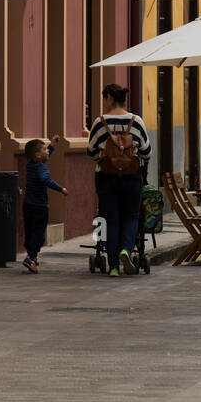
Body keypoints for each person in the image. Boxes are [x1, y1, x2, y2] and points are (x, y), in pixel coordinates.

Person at [86, 83, 151, 276]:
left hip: (106, 178)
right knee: (131, 217)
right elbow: (147, 152)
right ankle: (126, 250)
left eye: (104, 98)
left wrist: (105, 156)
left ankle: (113, 266)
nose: (103, 102)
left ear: (109, 98)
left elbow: (90, 152)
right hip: (131, 178)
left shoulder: (100, 122)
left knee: (110, 220)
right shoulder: (136, 121)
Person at [22, 135, 68, 273]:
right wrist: (61, 189)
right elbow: (45, 180)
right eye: (44, 149)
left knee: (29, 231)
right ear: (37, 155)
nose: (47, 151)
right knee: (39, 234)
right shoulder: (41, 168)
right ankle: (30, 257)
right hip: (40, 206)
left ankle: (32, 256)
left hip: (28, 204)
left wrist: (52, 145)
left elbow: (44, 157)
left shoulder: (31, 165)